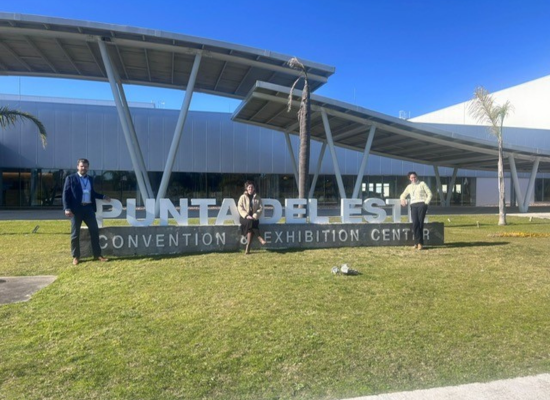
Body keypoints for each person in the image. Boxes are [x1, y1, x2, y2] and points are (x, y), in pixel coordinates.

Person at [63, 158, 111, 265]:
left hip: (89, 209)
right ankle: (76, 257)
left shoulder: (90, 179)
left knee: (94, 232)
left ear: (88, 167)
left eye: (85, 166)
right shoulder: (70, 178)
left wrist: (103, 196)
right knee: (75, 234)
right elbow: (66, 194)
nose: (83, 168)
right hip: (76, 210)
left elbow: (92, 193)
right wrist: (67, 208)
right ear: (77, 167)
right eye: (81, 166)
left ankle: (98, 255)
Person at [400, 171, 432, 250]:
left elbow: (430, 194)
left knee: (420, 224)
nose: (413, 179)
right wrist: (402, 199)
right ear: (409, 178)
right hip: (413, 205)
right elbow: (402, 195)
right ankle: (416, 242)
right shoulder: (409, 186)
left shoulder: (422, 184)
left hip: (422, 204)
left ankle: (420, 243)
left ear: (416, 177)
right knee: (415, 224)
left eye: (414, 177)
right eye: (411, 177)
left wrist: (426, 203)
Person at [237, 180, 266, 254]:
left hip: (254, 218)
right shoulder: (242, 197)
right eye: (249, 187)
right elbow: (240, 207)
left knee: (252, 224)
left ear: (254, 188)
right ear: (246, 188)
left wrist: (255, 215)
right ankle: (259, 237)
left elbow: (260, 208)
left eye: (252, 187)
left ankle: (248, 248)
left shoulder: (257, 197)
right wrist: (246, 216)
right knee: (251, 223)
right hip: (244, 218)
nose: (250, 189)